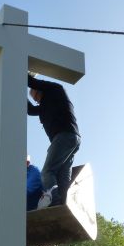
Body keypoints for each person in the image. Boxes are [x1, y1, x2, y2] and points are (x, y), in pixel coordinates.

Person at [27, 74, 81, 205]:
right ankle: (66, 204)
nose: (37, 102)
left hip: (64, 136)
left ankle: (55, 202)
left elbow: (31, 81)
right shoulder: (44, 105)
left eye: (36, 98)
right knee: (62, 177)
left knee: (47, 172)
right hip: (71, 139)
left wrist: (22, 73)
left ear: (39, 89)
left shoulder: (55, 90)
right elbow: (30, 110)